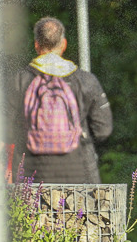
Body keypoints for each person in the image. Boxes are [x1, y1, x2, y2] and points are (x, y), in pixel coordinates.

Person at [9, 17, 112, 183]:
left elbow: (4, 129)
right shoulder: (86, 81)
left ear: (36, 45)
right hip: (80, 172)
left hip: (33, 174)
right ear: (63, 44)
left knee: (32, 210)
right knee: (82, 209)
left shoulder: (19, 81)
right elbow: (103, 130)